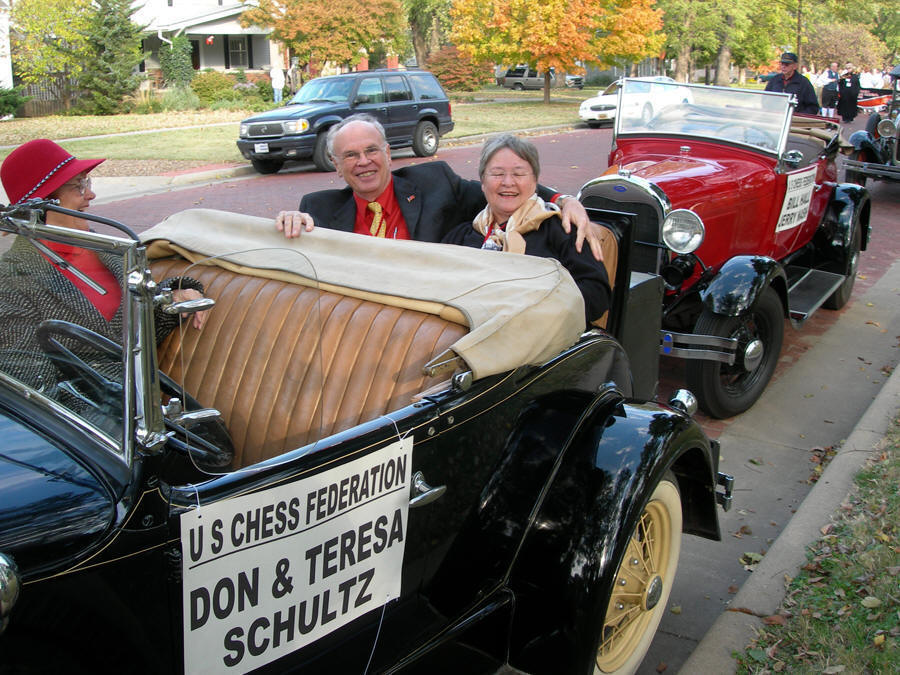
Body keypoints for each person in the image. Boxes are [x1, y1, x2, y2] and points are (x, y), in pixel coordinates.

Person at [0, 139, 208, 394]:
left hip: (145, 405)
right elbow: (33, 386)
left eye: (87, 182)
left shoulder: (106, 249)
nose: (90, 194)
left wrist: (177, 292)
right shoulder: (12, 279)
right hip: (90, 422)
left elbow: (132, 331)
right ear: (42, 206)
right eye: (79, 186)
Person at [275, 114, 603, 259]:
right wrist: (289, 221)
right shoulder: (318, 207)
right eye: (351, 155)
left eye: (372, 150)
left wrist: (563, 198)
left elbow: (503, 187)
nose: (364, 161)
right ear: (336, 165)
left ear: (388, 154)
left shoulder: (435, 183)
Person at [442, 134, 610, 327]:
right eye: (497, 174)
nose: (507, 182)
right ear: (483, 183)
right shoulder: (462, 235)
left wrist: (534, 304)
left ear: (535, 181)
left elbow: (597, 295)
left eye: (519, 174)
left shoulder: (562, 230)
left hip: (539, 337)